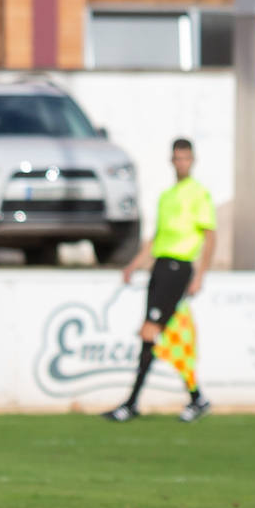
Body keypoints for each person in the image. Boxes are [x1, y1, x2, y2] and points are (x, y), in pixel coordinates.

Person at [102, 138, 215, 423]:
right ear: (171, 160)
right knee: (157, 335)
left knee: (150, 331)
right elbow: (156, 239)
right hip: (161, 268)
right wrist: (134, 264)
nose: (182, 163)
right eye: (177, 158)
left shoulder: (198, 194)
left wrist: (200, 274)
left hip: (179, 268)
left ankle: (133, 403)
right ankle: (194, 398)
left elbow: (209, 235)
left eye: (186, 158)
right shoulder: (167, 196)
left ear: (193, 160)